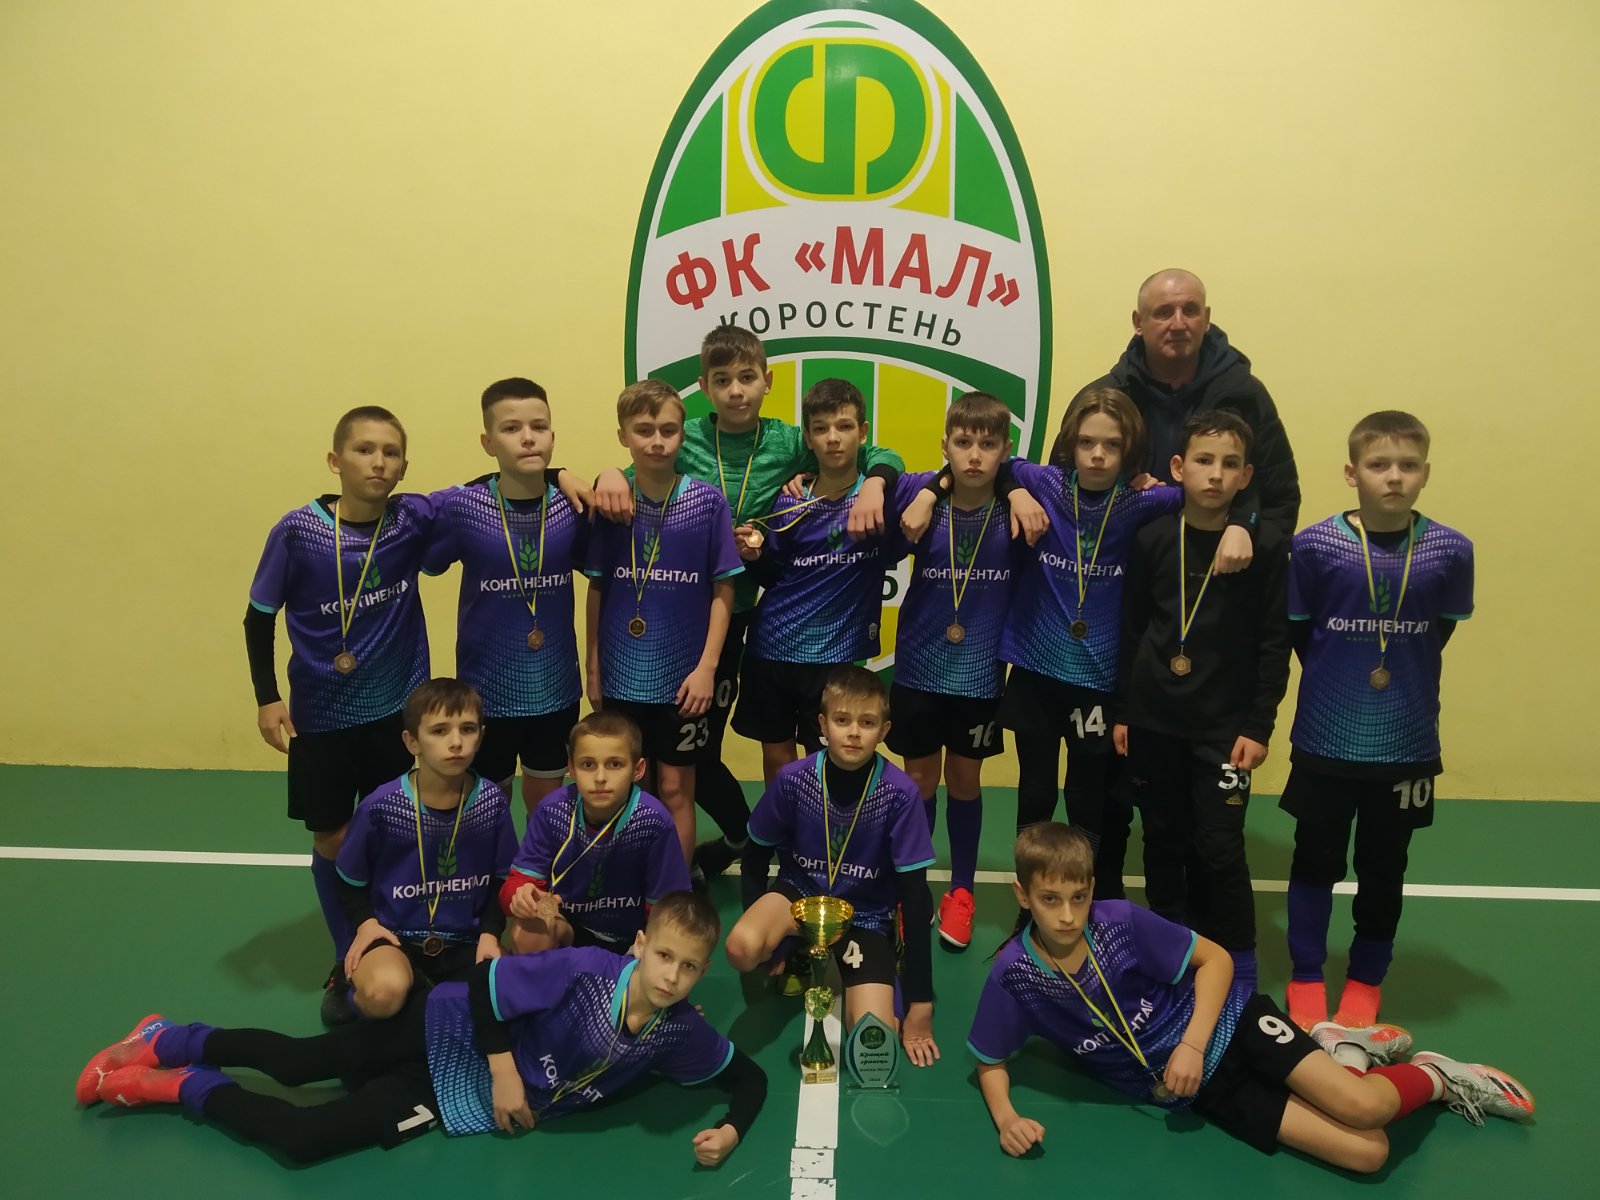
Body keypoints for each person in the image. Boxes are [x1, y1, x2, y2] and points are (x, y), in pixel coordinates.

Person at [968, 824, 1534, 1172]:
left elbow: (1215, 960)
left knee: (1366, 1107)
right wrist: (1006, 1117)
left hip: (1229, 1023)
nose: (1068, 914)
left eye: (1079, 896)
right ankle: (1346, 1051)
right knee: (1369, 1153)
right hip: (1197, 1091)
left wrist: (1192, 1045)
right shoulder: (1015, 977)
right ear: (1022, 894)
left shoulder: (1117, 922)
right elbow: (990, 1059)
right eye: (1050, 899)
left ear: (1092, 889)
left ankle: (1437, 1075)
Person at [78, 891, 766, 1167]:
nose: (672, 975)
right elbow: (486, 988)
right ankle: (170, 1038)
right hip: (442, 1029)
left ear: (703, 973)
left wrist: (732, 1129)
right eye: (664, 956)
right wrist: (504, 1072)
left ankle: (179, 1087)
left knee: (302, 1139)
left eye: (689, 967)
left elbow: (749, 1078)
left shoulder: (680, 1032)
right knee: (294, 1064)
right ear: (641, 944)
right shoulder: (586, 969)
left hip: (448, 1098)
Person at [589, 326, 905, 882]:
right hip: (677, 620)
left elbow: (869, 448)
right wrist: (606, 472)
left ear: (767, 381)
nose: (735, 390)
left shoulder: (789, 441)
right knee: (669, 757)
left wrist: (877, 484)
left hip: (739, 617)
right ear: (705, 387)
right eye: (722, 380)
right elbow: (634, 468)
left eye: (746, 377)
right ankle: (695, 851)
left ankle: (747, 839)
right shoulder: (683, 437)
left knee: (693, 754)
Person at [1280, 411, 1474, 1029]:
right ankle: (1307, 973)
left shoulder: (1451, 550)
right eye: (1378, 464)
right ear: (1351, 472)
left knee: (1384, 867)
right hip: (1325, 737)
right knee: (1315, 860)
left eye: (1408, 465)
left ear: (1425, 473)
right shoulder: (1314, 546)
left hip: (1406, 743)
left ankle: (1366, 979)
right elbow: (1300, 634)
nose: (1394, 477)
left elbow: (1439, 633)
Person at [244, 405, 434, 1021]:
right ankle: (343, 949)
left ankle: (397, 940)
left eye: (391, 452)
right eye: (364, 449)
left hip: (394, 714)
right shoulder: (297, 531)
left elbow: (492, 488)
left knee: (395, 832)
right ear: (335, 460)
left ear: (403, 466)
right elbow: (258, 617)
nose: (378, 462)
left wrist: (562, 474)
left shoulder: (411, 520)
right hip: (320, 716)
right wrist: (266, 697)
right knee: (332, 837)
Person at [1114, 410, 1290, 986]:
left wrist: (1259, 726)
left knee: (1219, 847)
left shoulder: (1264, 548)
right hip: (1154, 719)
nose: (1215, 474)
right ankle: (1173, 953)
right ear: (1178, 467)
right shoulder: (1152, 539)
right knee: (1162, 840)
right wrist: (1124, 712)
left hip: (1224, 729)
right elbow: (1132, 631)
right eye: (1204, 460)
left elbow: (1274, 644)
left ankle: (1240, 968)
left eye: (1230, 464)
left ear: (1246, 477)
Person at [726, 666, 939, 1065]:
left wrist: (920, 1003)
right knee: (741, 949)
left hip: (865, 914)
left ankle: (883, 960)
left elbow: (914, 896)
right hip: (798, 896)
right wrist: (775, 947)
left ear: (884, 730)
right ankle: (798, 947)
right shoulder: (794, 780)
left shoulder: (900, 794)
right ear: (823, 724)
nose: (854, 732)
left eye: (867, 723)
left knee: (874, 1035)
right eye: (842, 720)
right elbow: (755, 856)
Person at [582, 380, 744, 863]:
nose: (657, 441)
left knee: (676, 787)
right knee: (629, 786)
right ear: (623, 435)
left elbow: (724, 589)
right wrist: (593, 666)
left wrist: (707, 668)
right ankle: (635, 882)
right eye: (644, 430)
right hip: (621, 674)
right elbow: (596, 588)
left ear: (682, 435)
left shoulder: (707, 502)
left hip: (683, 679)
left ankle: (673, 889)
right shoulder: (610, 505)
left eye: (668, 430)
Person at [883, 392, 1015, 949]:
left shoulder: (1015, 509)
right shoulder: (923, 500)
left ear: (1005, 449)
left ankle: (961, 891)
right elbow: (876, 469)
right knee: (918, 782)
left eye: (988, 444)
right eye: (963, 443)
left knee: (964, 780)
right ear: (945, 446)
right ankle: (910, 889)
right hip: (918, 669)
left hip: (979, 676)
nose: (975, 455)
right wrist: (928, 492)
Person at [423, 378, 589, 814]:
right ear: (488, 442)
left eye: (539, 426)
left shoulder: (573, 506)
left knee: (547, 803)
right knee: (486, 805)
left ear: (553, 435)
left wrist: (560, 475)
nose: (528, 437)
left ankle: (542, 861)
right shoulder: (463, 509)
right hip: (485, 691)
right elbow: (427, 561)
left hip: (555, 687)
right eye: (511, 428)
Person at [729, 379, 906, 785]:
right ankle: (784, 825)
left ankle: (823, 826)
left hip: (835, 656)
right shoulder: (791, 497)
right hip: (771, 648)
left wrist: (878, 483)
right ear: (808, 438)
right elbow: (775, 575)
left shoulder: (880, 497)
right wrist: (755, 557)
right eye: (821, 429)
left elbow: (916, 475)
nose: (833, 438)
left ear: (863, 432)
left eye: (844, 426)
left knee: (827, 761)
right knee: (778, 759)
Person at [1072, 268, 1300, 550]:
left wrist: (1249, 546)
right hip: (1121, 564)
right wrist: (1123, 495)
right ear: (1138, 322)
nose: (1178, 324)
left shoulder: (1245, 396)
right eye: (1163, 312)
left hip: (1223, 568)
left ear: (1206, 318)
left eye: (1190, 310)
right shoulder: (1103, 399)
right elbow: (1063, 487)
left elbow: (1281, 501)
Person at [331, 679, 516, 1023]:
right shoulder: (381, 807)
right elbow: (346, 880)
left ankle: (422, 997)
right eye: (440, 731)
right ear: (412, 741)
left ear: (481, 736)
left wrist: (491, 933)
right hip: (394, 937)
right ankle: (350, 994)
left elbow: (500, 880)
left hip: (465, 940)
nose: (456, 742)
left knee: (505, 1000)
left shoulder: (491, 803)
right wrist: (366, 925)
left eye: (467, 729)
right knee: (383, 994)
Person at [501, 711, 690, 955]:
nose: (600, 778)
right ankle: (550, 978)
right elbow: (513, 886)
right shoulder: (552, 811)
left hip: (633, 938)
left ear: (638, 769)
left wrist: (648, 955)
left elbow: (668, 908)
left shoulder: (653, 820)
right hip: (569, 926)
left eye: (614, 764)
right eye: (588, 765)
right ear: (571, 768)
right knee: (529, 930)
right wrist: (521, 897)